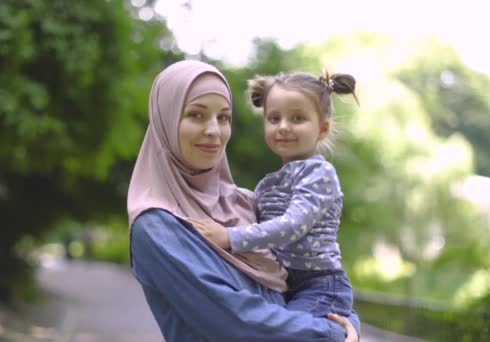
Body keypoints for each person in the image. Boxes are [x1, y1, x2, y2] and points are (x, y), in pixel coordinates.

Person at [128, 60, 360, 341]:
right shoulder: (157, 225)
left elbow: (320, 288)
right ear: (165, 119)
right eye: (195, 115)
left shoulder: (243, 202)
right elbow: (239, 322)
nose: (214, 130)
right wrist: (335, 334)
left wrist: (346, 325)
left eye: (223, 117)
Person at [191, 71, 358, 320]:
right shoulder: (268, 184)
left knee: (284, 333)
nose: (283, 127)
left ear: (322, 129)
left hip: (320, 284)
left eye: (298, 118)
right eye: (274, 118)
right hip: (283, 284)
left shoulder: (319, 172)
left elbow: (292, 226)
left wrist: (229, 237)